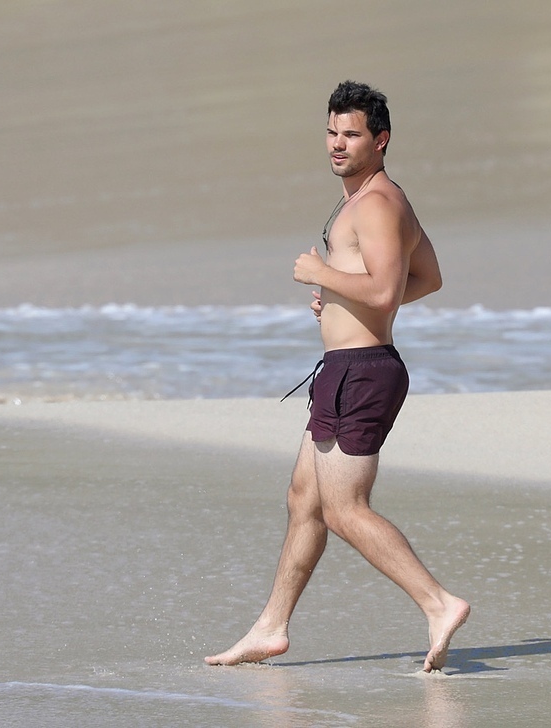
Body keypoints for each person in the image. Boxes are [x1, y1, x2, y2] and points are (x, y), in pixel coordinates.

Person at [204, 81, 469, 672]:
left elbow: (382, 287)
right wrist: (344, 298)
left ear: (382, 140)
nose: (338, 144)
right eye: (332, 132)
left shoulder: (376, 204)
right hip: (344, 369)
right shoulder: (375, 199)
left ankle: (439, 603)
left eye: (352, 134)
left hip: (364, 373)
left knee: (344, 508)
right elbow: (424, 278)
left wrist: (323, 273)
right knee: (304, 498)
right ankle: (270, 629)